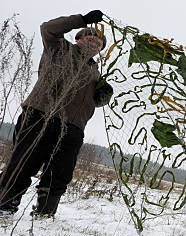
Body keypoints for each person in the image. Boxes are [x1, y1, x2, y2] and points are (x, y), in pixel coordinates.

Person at [0, 10, 113, 217]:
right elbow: (48, 28)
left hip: (74, 126)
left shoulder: (96, 73)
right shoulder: (58, 48)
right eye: (91, 36)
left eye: (99, 44)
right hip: (40, 114)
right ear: (78, 38)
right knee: (23, 162)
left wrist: (103, 96)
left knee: (60, 171)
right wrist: (82, 20)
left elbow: (92, 102)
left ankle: (45, 213)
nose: (95, 43)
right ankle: (5, 206)